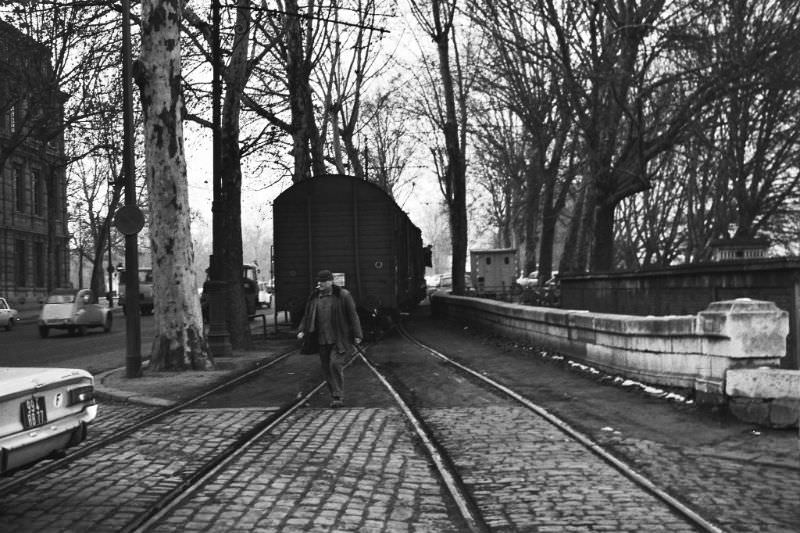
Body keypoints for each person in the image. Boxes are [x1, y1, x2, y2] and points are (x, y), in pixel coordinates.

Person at [297, 269, 363, 408]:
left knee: (335, 364)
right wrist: (302, 329)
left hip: (339, 339)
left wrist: (358, 334)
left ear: (331, 281)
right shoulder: (314, 297)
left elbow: (353, 315)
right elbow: (307, 315)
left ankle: (338, 395)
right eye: (319, 281)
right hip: (322, 340)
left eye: (323, 281)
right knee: (327, 369)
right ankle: (334, 395)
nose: (320, 283)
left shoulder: (343, 296)